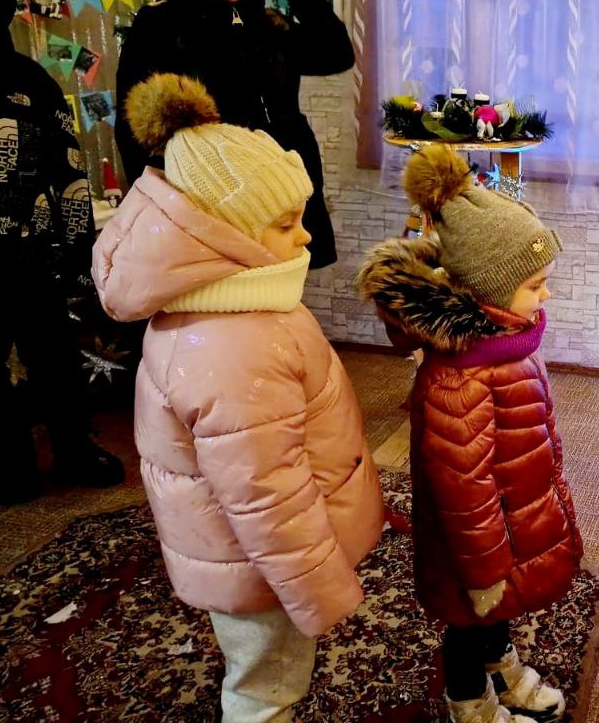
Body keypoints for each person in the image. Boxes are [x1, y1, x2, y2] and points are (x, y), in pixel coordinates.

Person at [92, 73, 384, 723]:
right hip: (261, 570)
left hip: (244, 557)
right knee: (265, 690)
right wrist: (317, 587)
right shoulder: (234, 345)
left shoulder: (229, 308)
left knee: (262, 673)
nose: (305, 236)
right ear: (223, 235)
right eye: (284, 223)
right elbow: (266, 493)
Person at [357, 144, 580, 723]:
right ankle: (470, 702)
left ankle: (501, 667)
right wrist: (483, 572)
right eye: (535, 285)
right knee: (468, 619)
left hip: (509, 518)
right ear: (490, 290)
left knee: (496, 612)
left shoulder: (508, 343)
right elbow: (464, 492)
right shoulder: (460, 381)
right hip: (474, 545)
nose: (546, 296)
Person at [115, 0, 353, 269]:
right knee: (223, 295)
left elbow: (337, 54)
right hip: (211, 200)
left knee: (280, 291)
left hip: (278, 196)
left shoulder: (267, 23)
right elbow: (132, 129)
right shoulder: (160, 25)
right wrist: (161, 209)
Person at [0, 0, 124, 502]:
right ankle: (10, 462)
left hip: (32, 251)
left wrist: (77, 246)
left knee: (54, 357)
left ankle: (74, 449)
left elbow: (67, 167)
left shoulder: (30, 80)